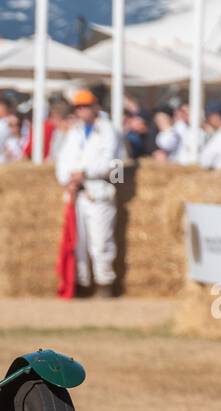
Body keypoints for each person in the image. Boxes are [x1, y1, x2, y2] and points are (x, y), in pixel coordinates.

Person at [55, 89, 124, 297]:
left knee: (101, 241)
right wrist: (68, 178)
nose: (80, 111)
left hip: (99, 192)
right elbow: (63, 160)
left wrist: (84, 173)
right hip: (77, 194)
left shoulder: (108, 130)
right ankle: (82, 283)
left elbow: (113, 164)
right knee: (79, 243)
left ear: (96, 107)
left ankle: (104, 283)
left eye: (84, 106)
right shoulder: (75, 132)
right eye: (78, 107)